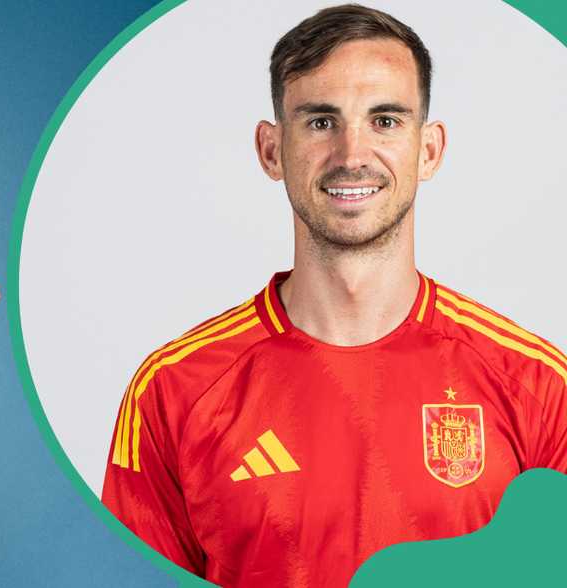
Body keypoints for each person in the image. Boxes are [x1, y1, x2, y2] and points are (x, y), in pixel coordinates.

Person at [101, 4, 567, 587]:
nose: (352, 155)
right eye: (321, 121)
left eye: (386, 121)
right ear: (272, 150)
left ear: (429, 150)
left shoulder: (536, 384)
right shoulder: (174, 389)